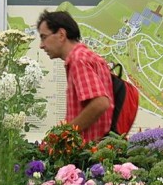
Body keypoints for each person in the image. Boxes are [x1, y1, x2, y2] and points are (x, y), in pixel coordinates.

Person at [36, 10, 114, 142]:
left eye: (44, 37)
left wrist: (64, 134)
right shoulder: (87, 56)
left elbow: (100, 103)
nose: (41, 45)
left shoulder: (78, 60)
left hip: (88, 152)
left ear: (61, 34)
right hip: (98, 149)